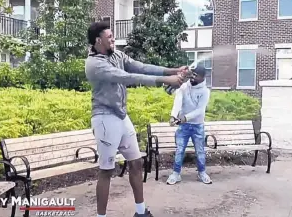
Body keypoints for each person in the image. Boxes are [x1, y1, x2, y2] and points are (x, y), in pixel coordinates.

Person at [85, 21, 188, 217]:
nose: (113, 39)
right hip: (105, 119)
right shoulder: (94, 64)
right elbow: (128, 77)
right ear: (98, 41)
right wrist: (166, 81)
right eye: (110, 37)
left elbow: (140, 67)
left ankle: (141, 212)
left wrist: (172, 71)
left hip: (122, 117)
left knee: (136, 162)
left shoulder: (116, 55)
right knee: (107, 170)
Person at [166, 64, 212, 185]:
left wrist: (185, 118)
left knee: (200, 150)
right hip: (184, 126)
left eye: (196, 75)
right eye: (192, 74)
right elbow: (178, 101)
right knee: (180, 149)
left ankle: (202, 172)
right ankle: (176, 174)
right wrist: (173, 116)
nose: (192, 77)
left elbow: (200, 110)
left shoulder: (205, 92)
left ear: (202, 77)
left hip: (198, 126)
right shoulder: (184, 87)